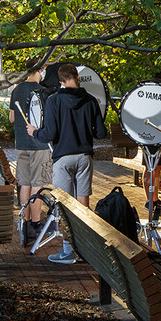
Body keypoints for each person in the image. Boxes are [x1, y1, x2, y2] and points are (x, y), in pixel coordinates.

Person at [28, 62, 107, 263]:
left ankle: (68, 249)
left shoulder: (54, 101)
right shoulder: (90, 100)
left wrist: (34, 132)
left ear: (61, 82)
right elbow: (101, 133)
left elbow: (49, 134)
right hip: (85, 157)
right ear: (77, 78)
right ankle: (84, 250)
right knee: (83, 205)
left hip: (63, 157)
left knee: (64, 205)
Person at [9, 57, 52, 245]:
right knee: (38, 184)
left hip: (21, 145)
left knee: (24, 184)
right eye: (44, 69)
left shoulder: (16, 90)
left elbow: (11, 118)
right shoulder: (42, 92)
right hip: (39, 145)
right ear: (40, 69)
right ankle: (36, 224)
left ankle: (25, 222)